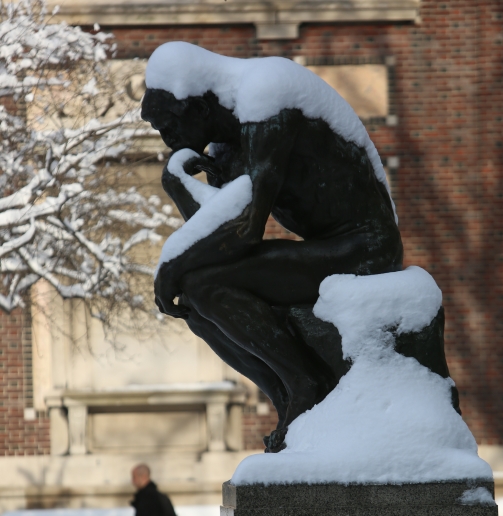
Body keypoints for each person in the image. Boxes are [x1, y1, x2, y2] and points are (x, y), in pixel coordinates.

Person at [141, 42, 403, 452]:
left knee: (202, 286)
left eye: (168, 126)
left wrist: (171, 266)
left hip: (364, 249)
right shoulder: (226, 142)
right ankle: (286, 395)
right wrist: (177, 186)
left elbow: (244, 231)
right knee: (195, 297)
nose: (167, 139)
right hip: (328, 248)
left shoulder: (267, 100)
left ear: (198, 105)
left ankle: (306, 383)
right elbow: (223, 237)